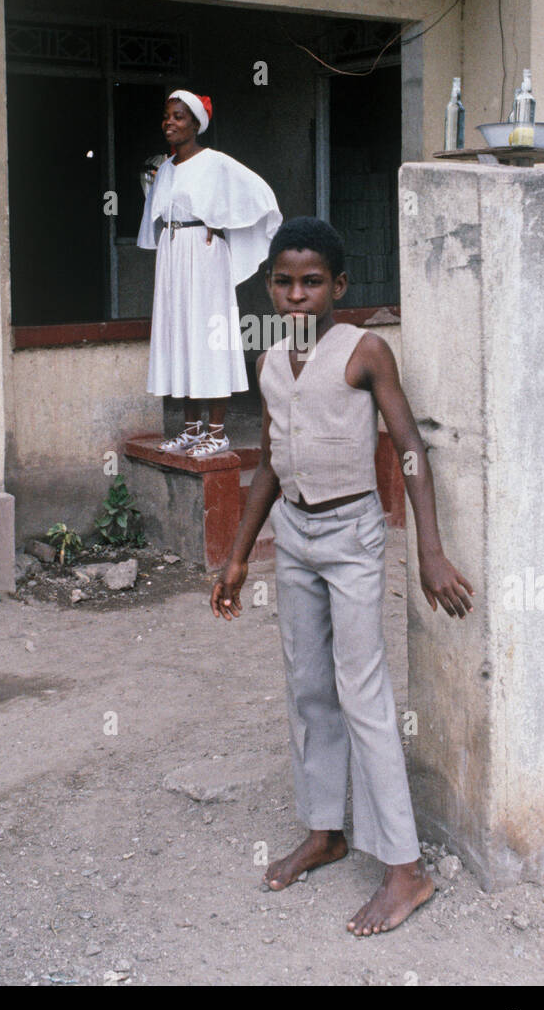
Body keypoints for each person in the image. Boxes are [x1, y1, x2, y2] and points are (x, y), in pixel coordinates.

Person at [210, 216, 474, 936]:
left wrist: (428, 551)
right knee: (307, 686)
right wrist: (238, 556)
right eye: (285, 282)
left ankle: (405, 870)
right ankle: (326, 830)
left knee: (363, 693)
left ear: (339, 287)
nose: (297, 296)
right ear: (269, 287)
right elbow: (268, 465)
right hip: (294, 536)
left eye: (313, 282)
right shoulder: (269, 363)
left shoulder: (364, 353)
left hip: (353, 535)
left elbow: (410, 446)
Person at [137, 90, 281, 457]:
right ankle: (190, 429)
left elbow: (258, 193)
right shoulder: (166, 168)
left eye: (179, 116)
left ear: (196, 123)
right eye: (167, 115)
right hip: (173, 253)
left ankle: (217, 431)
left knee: (207, 334)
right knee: (181, 336)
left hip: (203, 254)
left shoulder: (215, 162)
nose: (170, 122)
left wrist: (221, 224)